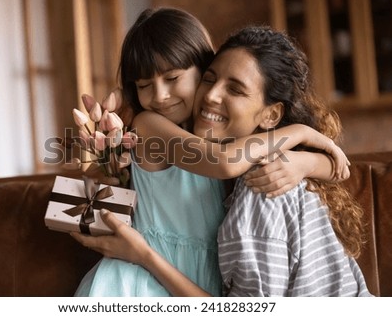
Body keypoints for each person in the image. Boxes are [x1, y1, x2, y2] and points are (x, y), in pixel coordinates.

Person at [72, 25, 371, 297]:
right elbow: (224, 162)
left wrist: (304, 162)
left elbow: (340, 170)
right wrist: (300, 133)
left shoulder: (225, 142)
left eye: (173, 78)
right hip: (137, 285)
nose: (160, 96)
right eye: (143, 85)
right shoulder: (150, 125)